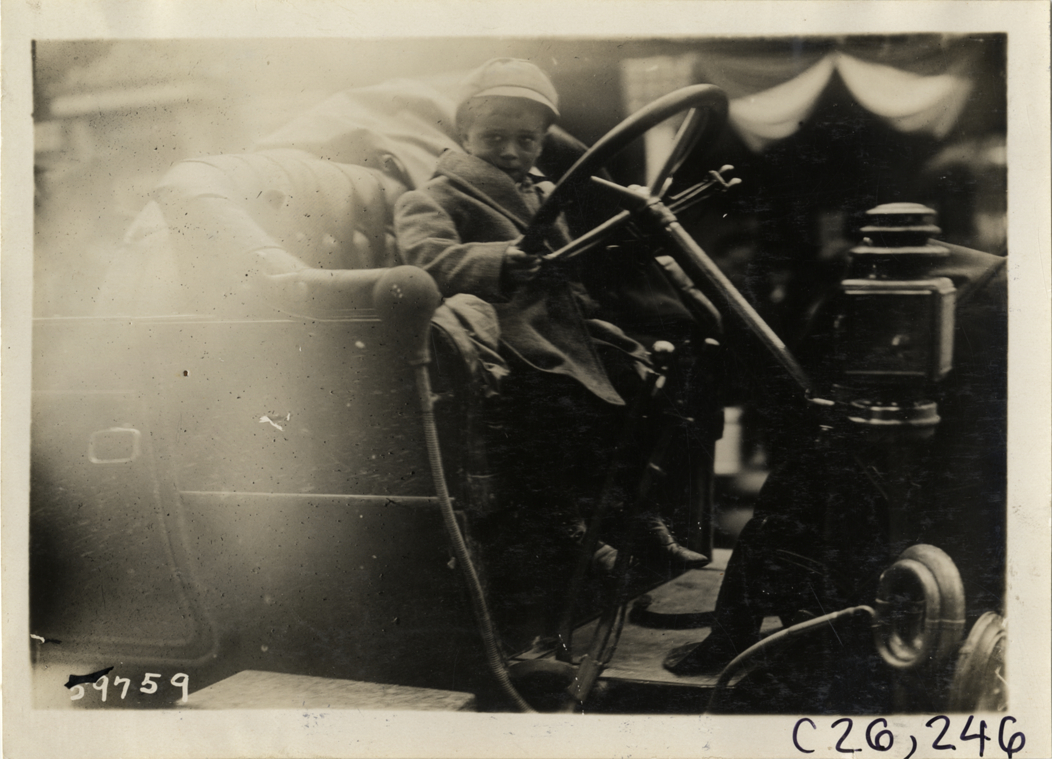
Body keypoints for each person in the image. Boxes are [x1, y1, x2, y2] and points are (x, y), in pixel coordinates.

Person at [394, 59, 708, 633]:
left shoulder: (543, 190)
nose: (512, 152)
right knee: (561, 406)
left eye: (526, 140)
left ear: (542, 141)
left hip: (567, 325)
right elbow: (429, 258)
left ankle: (640, 518)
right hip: (502, 329)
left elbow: (571, 271)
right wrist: (497, 261)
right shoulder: (433, 196)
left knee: (645, 385)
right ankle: (574, 534)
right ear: (463, 134)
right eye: (494, 138)